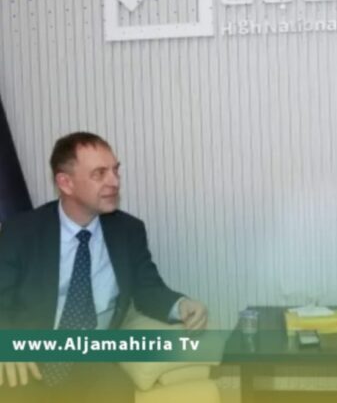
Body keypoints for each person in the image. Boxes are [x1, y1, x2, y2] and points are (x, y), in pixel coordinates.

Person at [0, 132, 208, 403]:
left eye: (115, 170)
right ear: (65, 183)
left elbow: (148, 289)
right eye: (99, 174)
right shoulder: (22, 232)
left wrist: (181, 305)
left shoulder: (128, 230)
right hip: (31, 359)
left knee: (117, 391)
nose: (114, 181)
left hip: (94, 361)